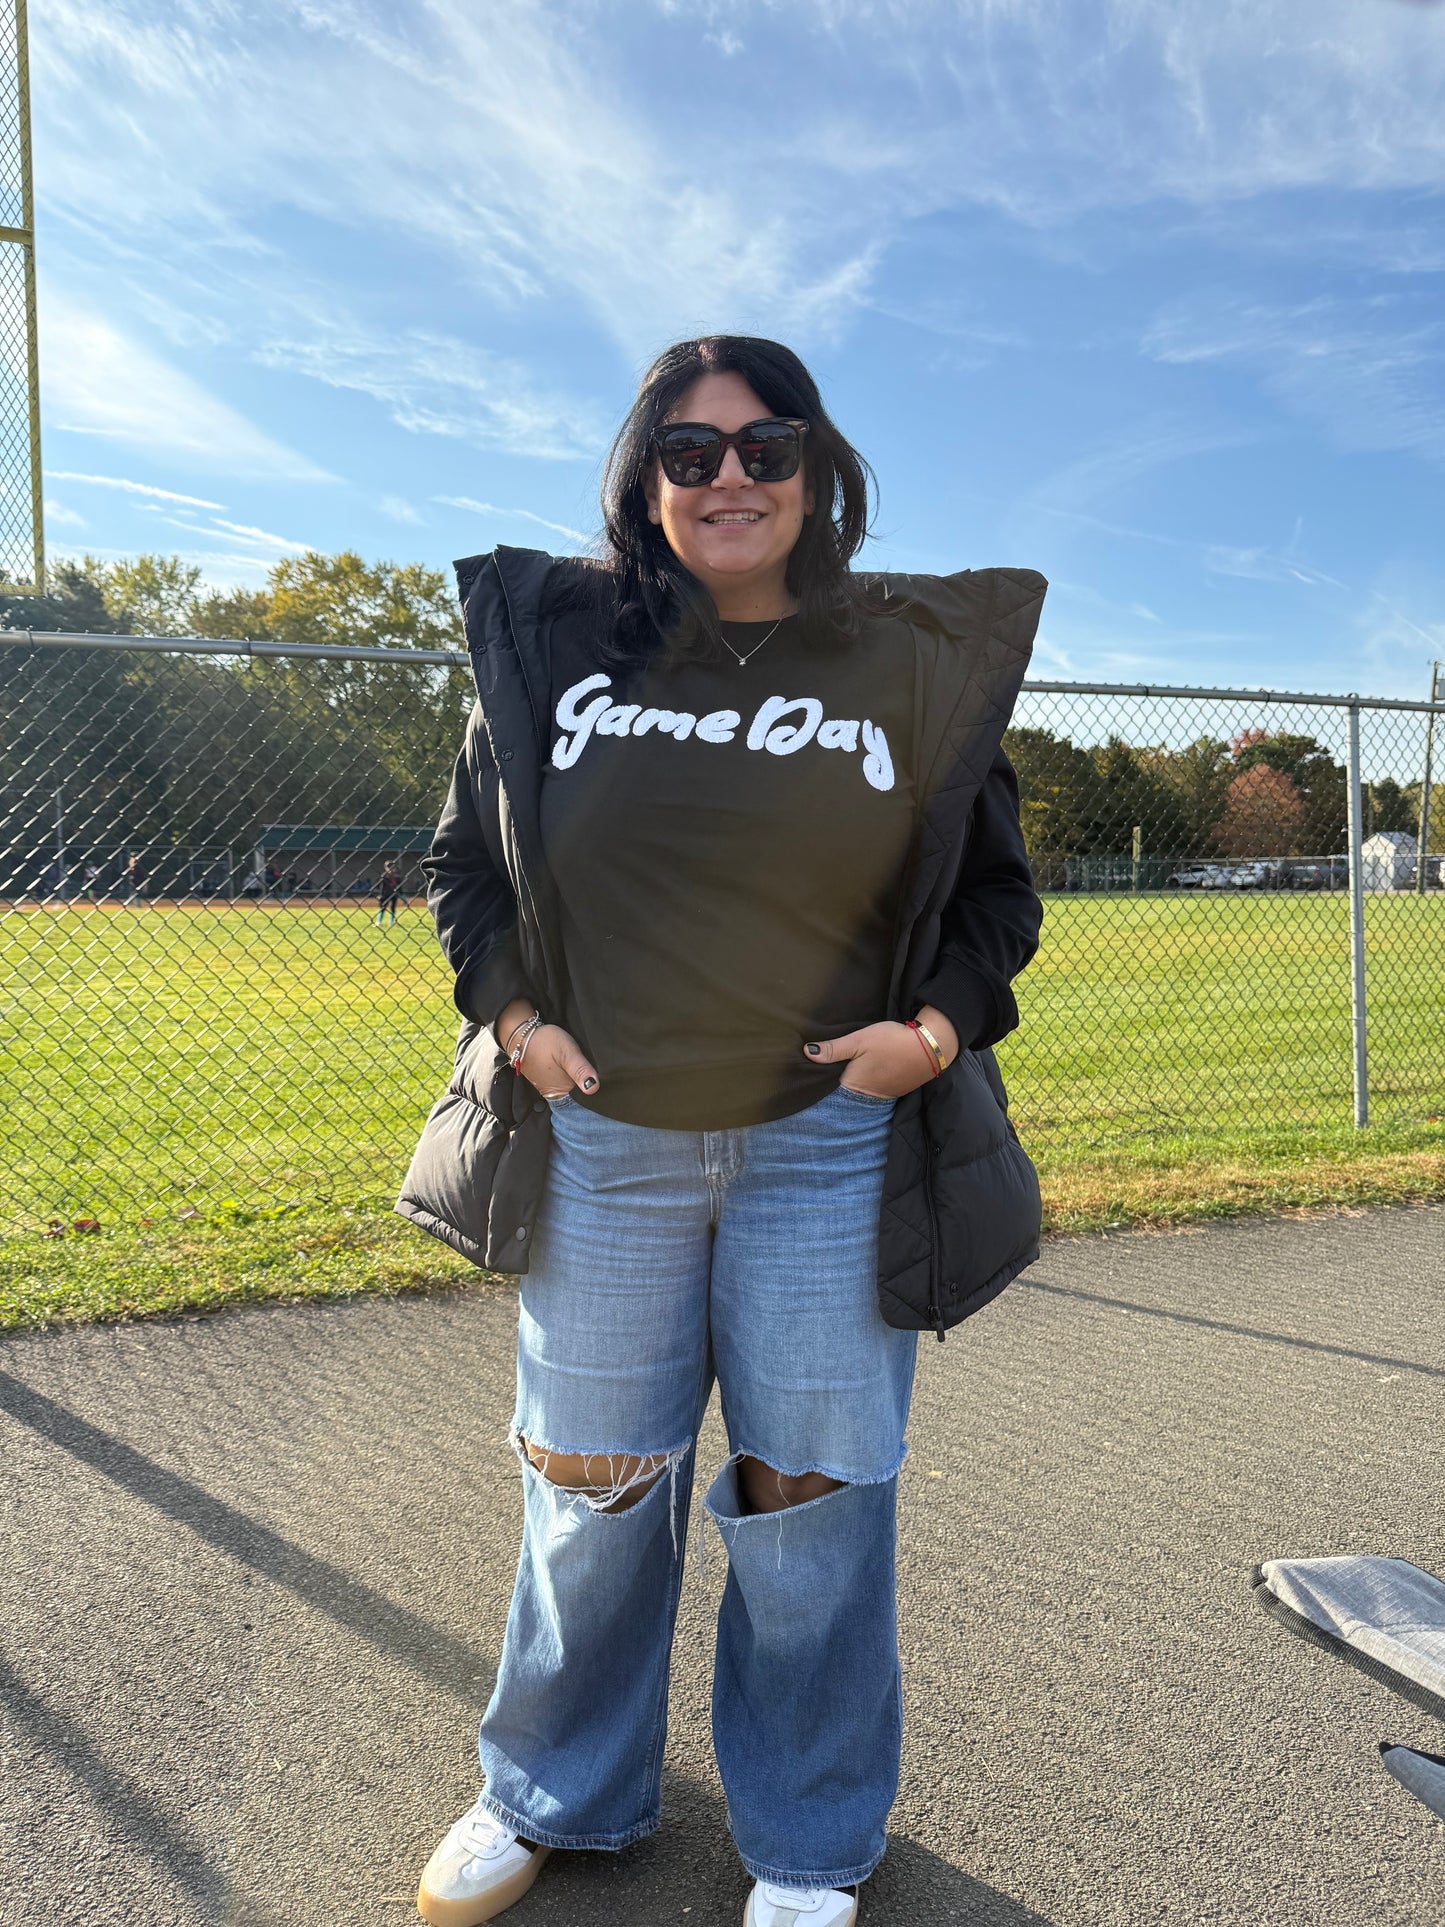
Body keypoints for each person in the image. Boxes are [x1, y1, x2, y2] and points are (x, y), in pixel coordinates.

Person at [397, 335, 1047, 1927]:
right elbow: (467, 877)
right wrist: (517, 1027)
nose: (731, 477)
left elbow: (994, 900)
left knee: (807, 1501)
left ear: (818, 471)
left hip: (825, 1144)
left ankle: (812, 1837)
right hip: (605, 1145)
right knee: (590, 1489)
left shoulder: (904, 664)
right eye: (689, 454)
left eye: (767, 445)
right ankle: (551, 1786)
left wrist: (934, 1033)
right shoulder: (559, 654)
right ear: (642, 482)